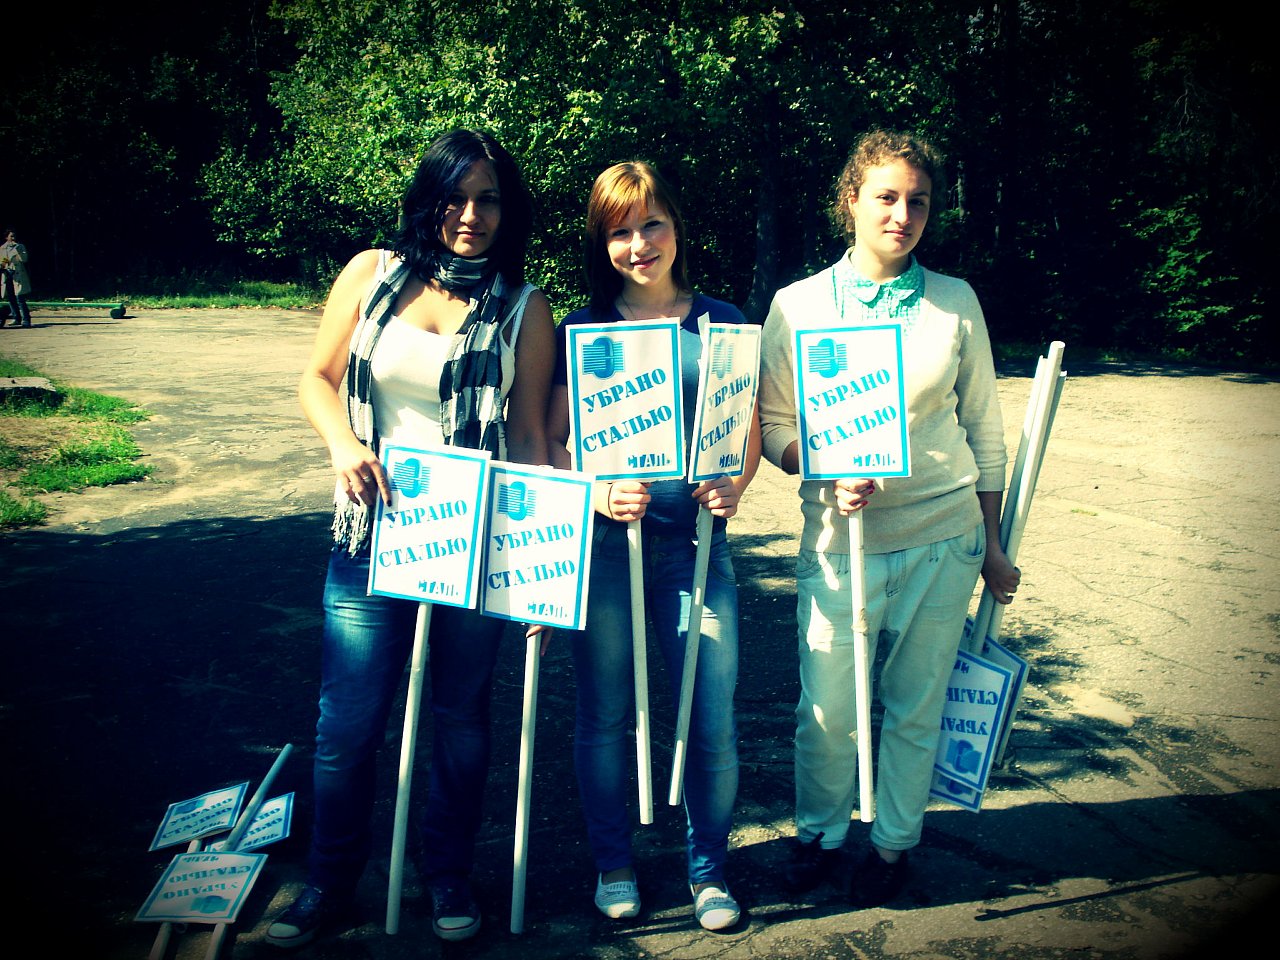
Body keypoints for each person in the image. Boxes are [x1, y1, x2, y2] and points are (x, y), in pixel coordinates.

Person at [266, 129, 556, 948]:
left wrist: (541, 572)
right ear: (428, 199)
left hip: (475, 548)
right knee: (347, 724)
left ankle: (447, 873)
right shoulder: (371, 273)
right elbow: (317, 378)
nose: (471, 215)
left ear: (508, 210)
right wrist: (342, 444)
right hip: (370, 534)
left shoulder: (523, 306)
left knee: (460, 722)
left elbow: (530, 443)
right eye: (455, 197)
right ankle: (328, 882)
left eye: (489, 199)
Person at [757, 128, 1021, 908]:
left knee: (915, 709)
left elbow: (986, 433)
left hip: (944, 540)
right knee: (827, 713)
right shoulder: (798, 305)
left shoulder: (955, 301)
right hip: (839, 544)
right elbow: (773, 425)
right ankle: (819, 835)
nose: (902, 216)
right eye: (886, 197)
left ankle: (894, 845)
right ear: (851, 200)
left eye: (918, 202)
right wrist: (821, 462)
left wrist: (993, 545)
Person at [546, 161, 761, 932]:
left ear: (676, 227)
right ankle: (613, 864)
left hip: (697, 551)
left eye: (652, 224)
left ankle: (709, 872)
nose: (639, 244)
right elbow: (553, 444)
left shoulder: (722, 321)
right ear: (601, 243)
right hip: (608, 554)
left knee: (710, 717)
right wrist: (595, 490)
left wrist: (736, 484)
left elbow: (747, 429)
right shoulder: (582, 331)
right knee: (605, 715)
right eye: (620, 231)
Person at [1, 229, 32, 328]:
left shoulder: (20, 246)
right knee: (11, 297)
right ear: (6, 237)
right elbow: (3, 261)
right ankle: (16, 318)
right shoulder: (3, 248)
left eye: (14, 236)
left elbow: (24, 259)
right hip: (8, 274)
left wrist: (17, 250)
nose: (13, 238)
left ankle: (26, 319)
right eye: (11, 236)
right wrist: (2, 265)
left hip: (18, 273)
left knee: (20, 297)